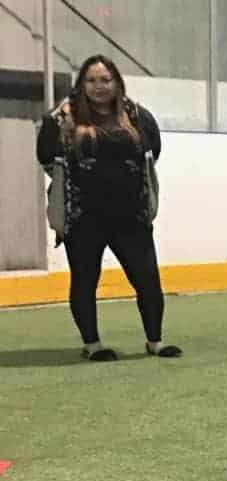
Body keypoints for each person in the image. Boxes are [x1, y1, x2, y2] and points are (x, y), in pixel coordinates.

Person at [36, 54, 181, 361]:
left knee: (148, 281)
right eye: (91, 80)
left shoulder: (137, 115)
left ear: (117, 82)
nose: (99, 87)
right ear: (81, 84)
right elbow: (47, 156)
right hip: (83, 217)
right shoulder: (63, 117)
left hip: (131, 216)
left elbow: (152, 149)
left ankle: (155, 340)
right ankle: (93, 345)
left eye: (105, 80)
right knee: (85, 281)